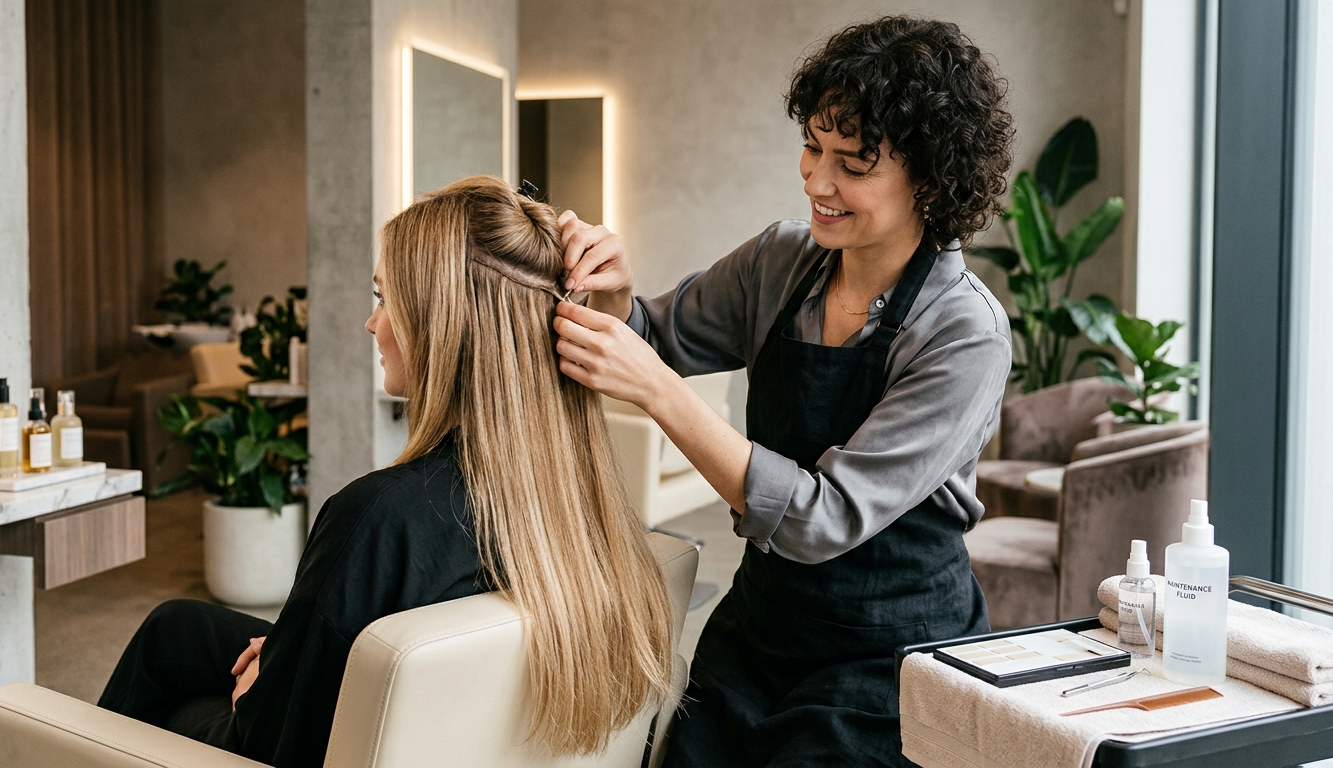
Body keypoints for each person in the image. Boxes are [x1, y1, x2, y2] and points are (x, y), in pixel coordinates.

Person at [550, 16, 1015, 767]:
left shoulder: (964, 334)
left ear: (931, 180)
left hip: (892, 657)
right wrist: (615, 293)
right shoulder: (780, 260)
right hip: (761, 631)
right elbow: (654, 337)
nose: (816, 181)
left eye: (852, 164)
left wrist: (659, 393)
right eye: (813, 146)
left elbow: (819, 518)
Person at [98, 176, 676, 766]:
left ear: (440, 324)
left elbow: (271, 743)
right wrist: (289, 653)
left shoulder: (378, 518)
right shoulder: (581, 504)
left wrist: (254, 696)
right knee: (176, 629)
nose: (372, 324)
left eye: (384, 299)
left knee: (174, 694)